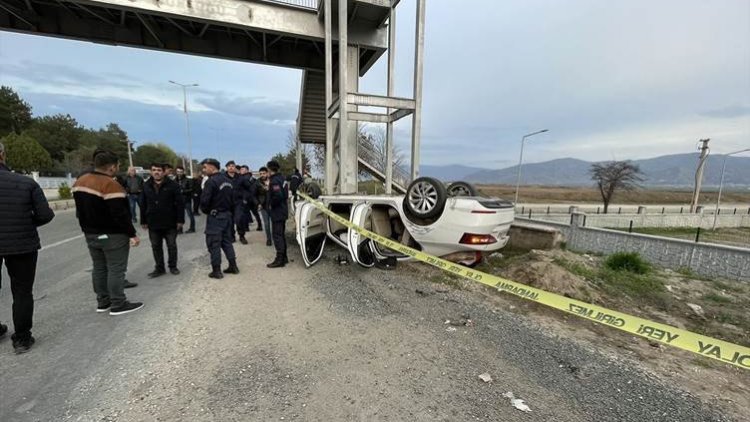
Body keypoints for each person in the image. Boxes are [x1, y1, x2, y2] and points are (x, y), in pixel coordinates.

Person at [72, 149, 143, 316]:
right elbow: (120, 214)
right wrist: (132, 234)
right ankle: (118, 303)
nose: (118, 168)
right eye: (118, 165)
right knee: (116, 269)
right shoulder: (110, 184)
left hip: (90, 234)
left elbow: (80, 211)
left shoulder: (80, 182)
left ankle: (103, 302)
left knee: (99, 268)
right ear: (111, 167)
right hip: (112, 235)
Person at [0, 142, 55, 353]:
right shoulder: (26, 183)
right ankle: (22, 338)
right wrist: (24, 222)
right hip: (22, 244)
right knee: (22, 291)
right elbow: (45, 215)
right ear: (3, 155)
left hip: (20, 242)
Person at [140, 163, 185, 278]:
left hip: (170, 222)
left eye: (159, 170)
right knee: (156, 246)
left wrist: (180, 220)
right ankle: (159, 268)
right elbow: (143, 204)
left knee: (172, 245)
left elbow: (180, 204)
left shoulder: (173, 185)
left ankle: (173, 266)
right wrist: (143, 220)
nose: (156, 172)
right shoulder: (146, 185)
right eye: (154, 170)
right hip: (153, 222)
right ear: (151, 172)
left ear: (163, 172)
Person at [200, 158, 239, 278]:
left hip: (215, 217)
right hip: (227, 216)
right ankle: (233, 266)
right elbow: (234, 200)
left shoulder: (211, 182)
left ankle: (216, 270)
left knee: (214, 244)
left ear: (212, 167)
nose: (204, 170)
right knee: (227, 242)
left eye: (205, 167)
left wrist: (207, 211)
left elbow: (205, 201)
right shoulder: (228, 180)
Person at [266, 160, 289, 268]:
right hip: (283, 210)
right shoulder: (282, 178)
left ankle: (279, 260)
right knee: (281, 235)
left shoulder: (274, 180)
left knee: (277, 236)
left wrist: (271, 205)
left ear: (270, 169)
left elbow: (278, 196)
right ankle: (284, 257)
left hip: (278, 212)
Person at [175, 166, 196, 233]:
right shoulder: (174, 181)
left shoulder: (188, 180)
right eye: (178, 172)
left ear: (183, 172)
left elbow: (192, 189)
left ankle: (192, 228)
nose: (179, 173)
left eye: (181, 172)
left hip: (186, 200)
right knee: (180, 215)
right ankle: (179, 229)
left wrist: (183, 191)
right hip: (178, 201)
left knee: (190, 214)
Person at [256, 166, 273, 247]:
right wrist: (258, 203)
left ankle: (275, 238)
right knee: (266, 224)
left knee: (273, 224)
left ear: (267, 173)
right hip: (263, 206)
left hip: (273, 206)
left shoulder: (273, 181)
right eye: (261, 174)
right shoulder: (257, 183)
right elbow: (253, 195)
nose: (262, 175)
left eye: (264, 173)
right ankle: (269, 239)